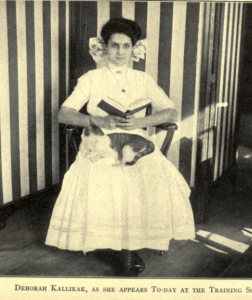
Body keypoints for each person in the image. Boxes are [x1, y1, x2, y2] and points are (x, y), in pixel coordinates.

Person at [45, 17, 195, 276]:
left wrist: (140, 121)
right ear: (105, 48)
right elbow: (64, 114)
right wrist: (98, 119)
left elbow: (170, 111)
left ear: (134, 49)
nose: (120, 52)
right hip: (99, 136)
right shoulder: (91, 78)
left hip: (134, 138)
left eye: (126, 46)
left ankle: (130, 244)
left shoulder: (143, 78)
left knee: (149, 172)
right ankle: (114, 245)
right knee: (108, 173)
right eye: (115, 46)